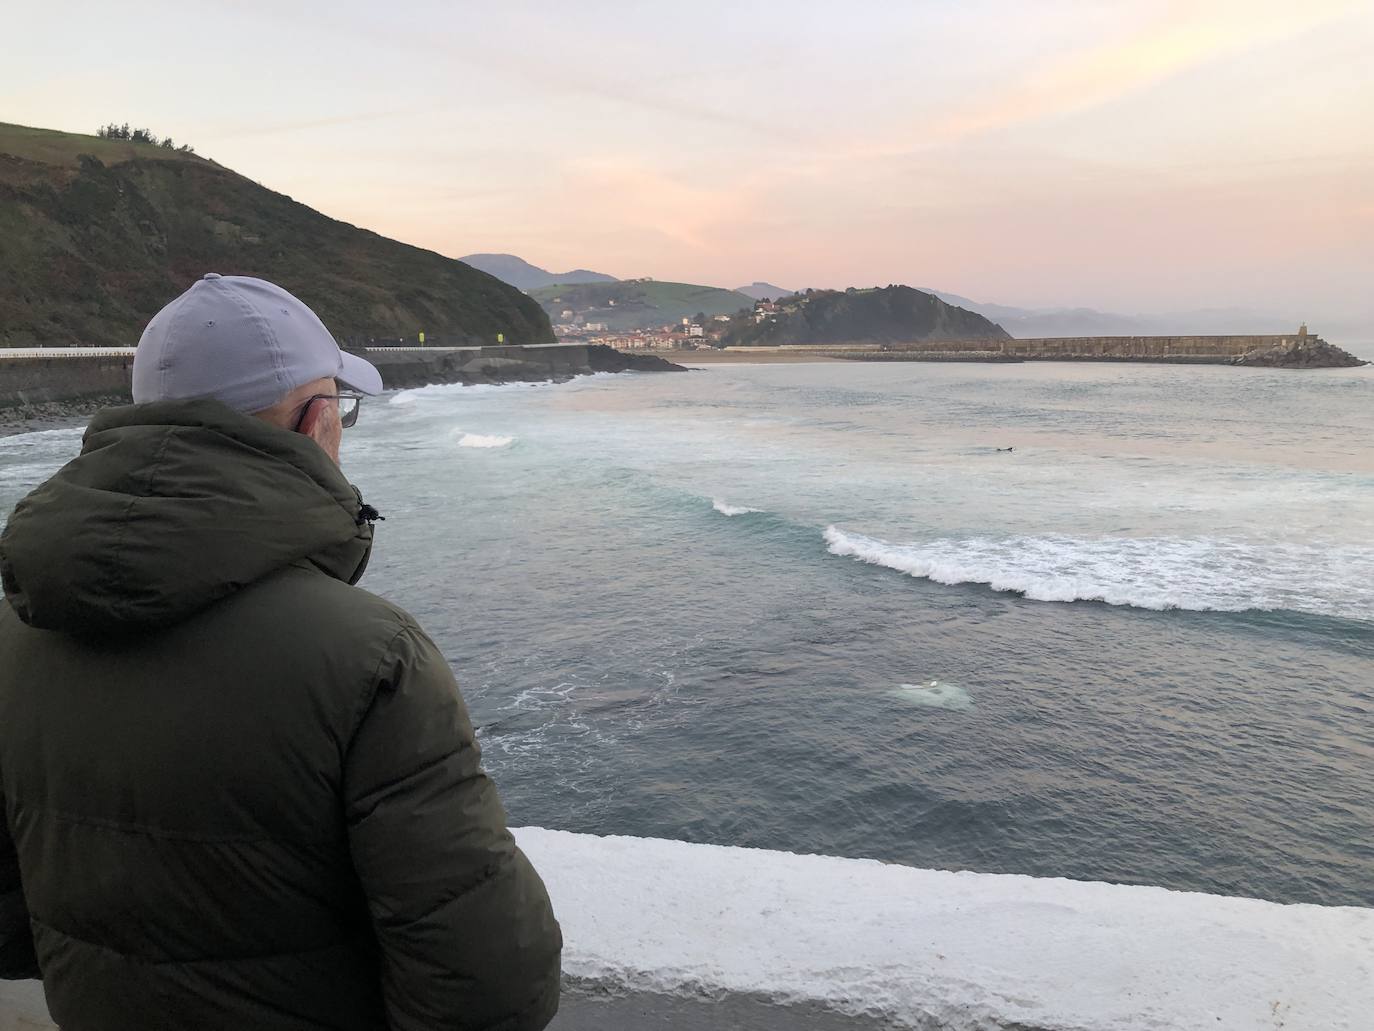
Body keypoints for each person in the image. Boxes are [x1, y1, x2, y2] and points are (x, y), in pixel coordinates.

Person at [0, 274, 561, 1030]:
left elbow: (13, 923)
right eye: (341, 410)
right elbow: (492, 981)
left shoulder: (18, 629)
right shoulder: (370, 659)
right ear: (314, 422)